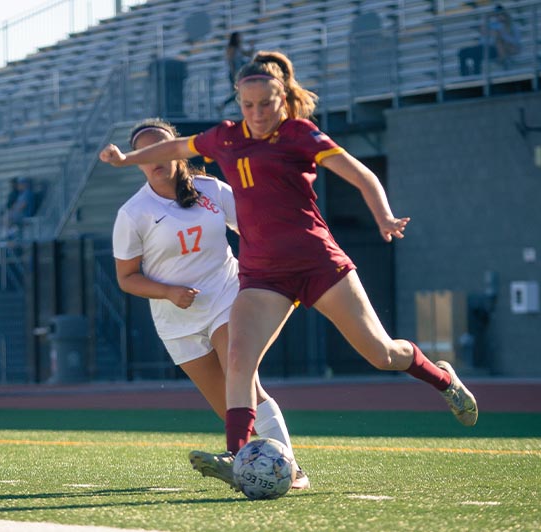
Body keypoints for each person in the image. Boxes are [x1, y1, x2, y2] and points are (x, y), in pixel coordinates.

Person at [100, 51, 478, 491]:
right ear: (238, 103)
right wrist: (126, 160)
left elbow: (362, 175)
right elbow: (174, 146)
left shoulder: (301, 134)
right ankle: (237, 452)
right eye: (247, 105)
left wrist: (384, 216)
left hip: (319, 264)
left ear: (285, 98)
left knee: (381, 354)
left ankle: (442, 377)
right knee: (241, 360)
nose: (257, 114)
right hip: (263, 276)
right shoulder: (225, 137)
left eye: (266, 104)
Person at [109, 117, 308, 490]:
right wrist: (168, 292)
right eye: (144, 152)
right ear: (136, 160)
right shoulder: (132, 214)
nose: (155, 158)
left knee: (244, 381)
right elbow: (126, 278)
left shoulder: (212, 190)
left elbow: (255, 228)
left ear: (178, 151)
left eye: (160, 148)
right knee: (228, 407)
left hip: (227, 298)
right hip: (176, 321)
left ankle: (291, 470)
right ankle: (252, 468)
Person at [458, 4, 520, 76]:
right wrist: (487, 19)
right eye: (497, 15)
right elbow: (483, 37)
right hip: (484, 47)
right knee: (462, 52)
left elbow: (515, 41)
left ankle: (475, 75)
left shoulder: (512, 26)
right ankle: (467, 76)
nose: (499, 16)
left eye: (501, 14)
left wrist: (502, 35)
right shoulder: (492, 24)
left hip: (496, 49)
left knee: (476, 54)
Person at [216, 32, 254, 116]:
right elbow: (230, 62)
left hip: (240, 74)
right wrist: (234, 75)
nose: (240, 38)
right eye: (239, 37)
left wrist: (251, 46)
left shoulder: (238, 47)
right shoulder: (231, 48)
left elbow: (248, 54)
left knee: (238, 92)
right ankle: (223, 105)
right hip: (234, 74)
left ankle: (223, 105)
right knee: (237, 92)